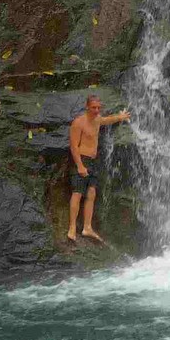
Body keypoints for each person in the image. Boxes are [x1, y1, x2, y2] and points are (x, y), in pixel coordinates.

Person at [67, 94, 130, 243]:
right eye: (94, 107)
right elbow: (73, 146)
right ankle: (71, 228)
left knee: (92, 193)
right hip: (82, 160)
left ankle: (87, 227)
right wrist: (80, 165)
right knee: (77, 193)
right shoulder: (78, 123)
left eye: (98, 108)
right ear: (87, 107)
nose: (96, 110)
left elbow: (107, 120)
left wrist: (120, 117)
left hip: (93, 162)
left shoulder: (97, 120)